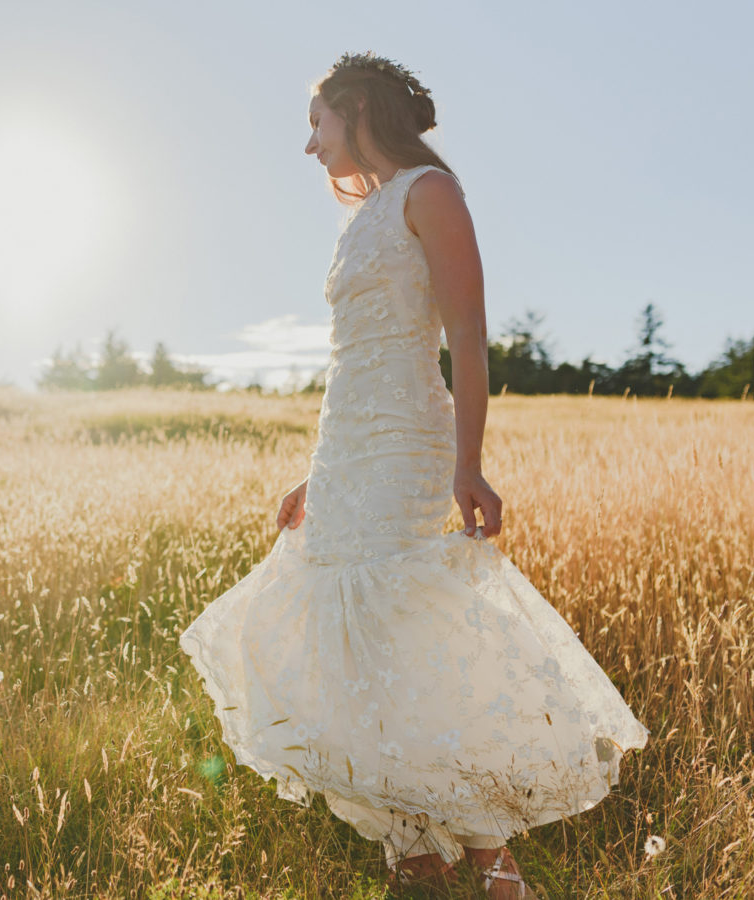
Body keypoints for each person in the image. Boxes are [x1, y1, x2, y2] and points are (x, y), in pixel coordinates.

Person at [177, 51, 649, 899]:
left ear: (355, 110)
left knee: (392, 635)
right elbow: (349, 362)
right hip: (347, 452)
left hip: (407, 447)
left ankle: (494, 869)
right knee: (343, 649)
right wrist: (315, 475)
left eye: (316, 123)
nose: (309, 145)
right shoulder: (357, 219)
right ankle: (413, 856)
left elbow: (464, 337)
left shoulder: (430, 195)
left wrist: (469, 463)